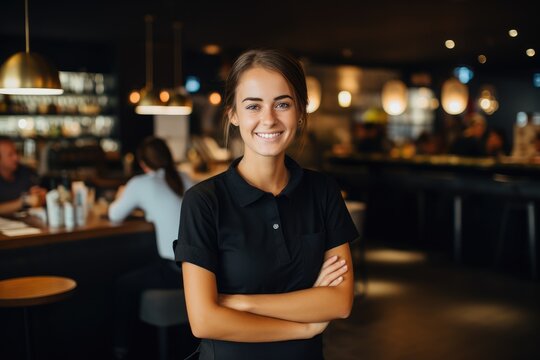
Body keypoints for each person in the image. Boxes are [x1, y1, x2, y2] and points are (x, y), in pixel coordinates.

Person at [175, 49, 358, 360]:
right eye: (253, 106)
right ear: (232, 114)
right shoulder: (204, 201)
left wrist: (243, 303)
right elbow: (204, 321)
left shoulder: (322, 191)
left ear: (300, 111)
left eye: (283, 104)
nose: (269, 119)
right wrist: (304, 327)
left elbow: (339, 302)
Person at [108, 136, 191, 359]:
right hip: (198, 269)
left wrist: (120, 195)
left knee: (122, 285)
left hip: (174, 271)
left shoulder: (139, 184)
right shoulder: (185, 178)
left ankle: (121, 350)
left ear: (143, 164)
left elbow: (114, 215)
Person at [0, 136, 46, 215]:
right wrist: (24, 201)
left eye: (16, 152)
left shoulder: (25, 172)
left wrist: (40, 196)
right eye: (10, 155)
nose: (16, 158)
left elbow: (39, 196)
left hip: (26, 223)